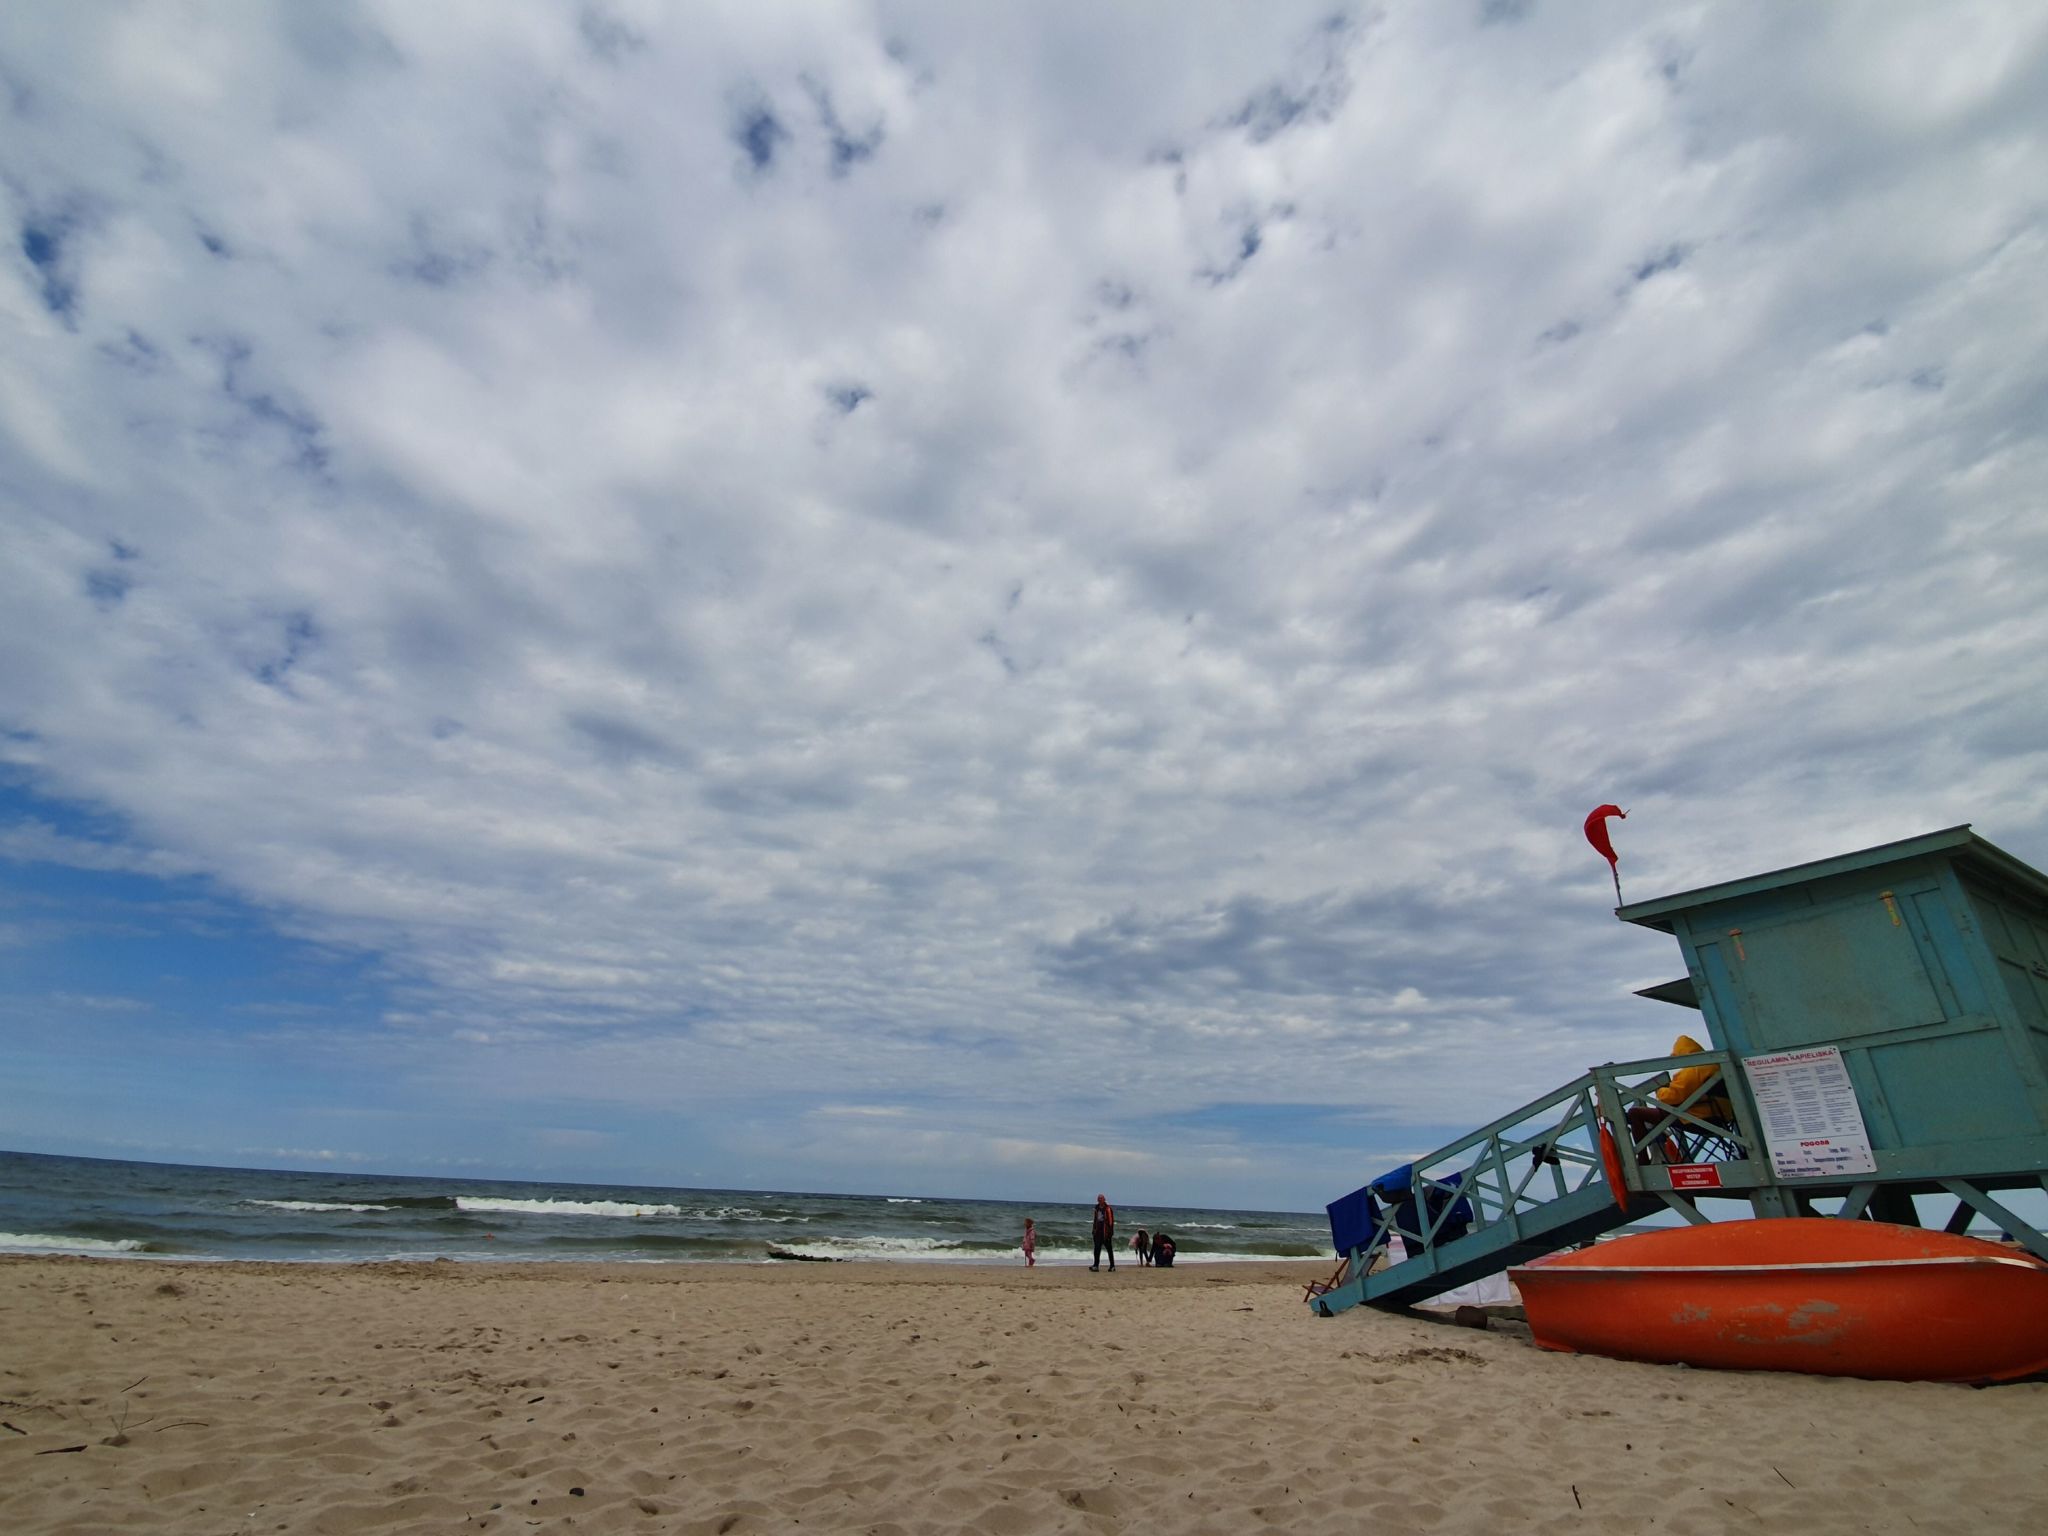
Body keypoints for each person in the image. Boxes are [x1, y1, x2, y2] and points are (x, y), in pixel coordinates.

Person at [1089, 1194, 1116, 1271]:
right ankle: (1096, 1265)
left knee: (1109, 1249)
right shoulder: (1096, 1208)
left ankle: (1112, 1266)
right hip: (1098, 1232)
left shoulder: (1108, 1209)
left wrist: (1110, 1233)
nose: (1100, 1200)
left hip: (1106, 1233)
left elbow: (1111, 1222)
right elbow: (1095, 1220)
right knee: (1096, 1249)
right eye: (1099, 1199)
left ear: (1104, 1199)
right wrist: (1093, 1230)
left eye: (1101, 1199)